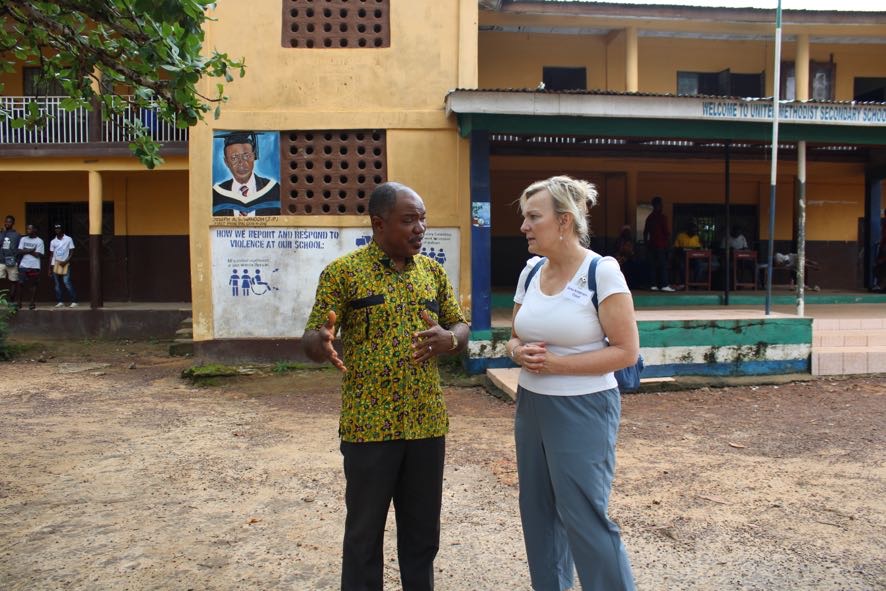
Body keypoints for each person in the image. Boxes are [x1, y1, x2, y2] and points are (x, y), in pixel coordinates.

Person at [302, 181, 469, 591]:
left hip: (426, 424)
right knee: (363, 535)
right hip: (369, 425)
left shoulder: (431, 272)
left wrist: (452, 339)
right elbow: (312, 334)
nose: (420, 229)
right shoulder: (343, 273)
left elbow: (459, 324)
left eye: (423, 219)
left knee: (422, 536)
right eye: (409, 220)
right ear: (379, 224)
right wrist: (319, 344)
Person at [506, 175, 638, 591]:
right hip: (532, 405)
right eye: (524, 217)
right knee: (538, 512)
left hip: (584, 407)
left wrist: (558, 366)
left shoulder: (602, 272)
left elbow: (625, 352)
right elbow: (514, 336)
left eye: (533, 217)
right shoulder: (530, 272)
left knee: (583, 516)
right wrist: (516, 353)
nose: (524, 226)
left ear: (564, 221)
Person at [212, 132, 281, 216]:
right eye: (234, 158)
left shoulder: (274, 191)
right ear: (226, 162)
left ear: (254, 156)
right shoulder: (217, 195)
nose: (241, 163)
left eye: (247, 156)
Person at [642, 195, 674, 291]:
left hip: (651, 245)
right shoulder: (662, 217)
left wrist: (646, 244)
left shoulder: (650, 217)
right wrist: (668, 245)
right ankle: (664, 285)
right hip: (660, 245)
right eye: (660, 205)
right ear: (658, 205)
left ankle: (653, 285)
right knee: (663, 265)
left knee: (653, 266)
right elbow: (666, 233)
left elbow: (645, 232)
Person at [16, 224, 44, 310]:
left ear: (35, 230)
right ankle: (19, 303)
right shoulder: (23, 239)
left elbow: (38, 255)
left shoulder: (39, 241)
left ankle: (32, 302)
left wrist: (26, 250)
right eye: (27, 229)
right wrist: (31, 250)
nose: (28, 230)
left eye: (30, 229)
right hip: (23, 265)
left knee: (33, 285)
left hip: (34, 266)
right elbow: (19, 251)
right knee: (21, 283)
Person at [49, 224, 77, 308]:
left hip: (65, 263)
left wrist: (66, 261)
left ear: (62, 229)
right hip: (56, 264)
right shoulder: (53, 241)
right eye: (56, 229)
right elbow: (51, 255)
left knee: (66, 282)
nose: (57, 230)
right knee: (57, 284)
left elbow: (72, 251)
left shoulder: (68, 239)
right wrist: (50, 267)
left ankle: (74, 301)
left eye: (59, 228)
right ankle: (60, 301)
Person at [672, 221, 704, 287]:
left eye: (696, 231)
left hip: (693, 259)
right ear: (688, 230)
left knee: (699, 265)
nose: (695, 232)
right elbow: (676, 248)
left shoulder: (696, 237)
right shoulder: (680, 236)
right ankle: (684, 284)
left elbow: (698, 249)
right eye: (693, 230)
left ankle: (695, 284)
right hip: (682, 258)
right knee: (681, 265)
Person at [0, 215, 22, 306]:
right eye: (6, 221)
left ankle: (11, 301)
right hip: (1, 261)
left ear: (13, 223)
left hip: (12, 261)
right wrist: (3, 233)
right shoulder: (1, 233)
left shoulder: (17, 235)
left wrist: (17, 260)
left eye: (9, 222)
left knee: (13, 281)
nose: (7, 223)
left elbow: (19, 248)